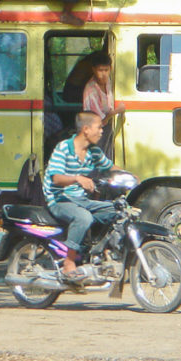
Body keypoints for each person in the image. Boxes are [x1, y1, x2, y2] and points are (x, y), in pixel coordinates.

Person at [42, 111, 117, 280]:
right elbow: (56, 178)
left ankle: (100, 252)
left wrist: (130, 176)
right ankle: (69, 263)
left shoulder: (94, 151)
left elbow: (110, 167)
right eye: (98, 127)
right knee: (83, 218)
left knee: (117, 210)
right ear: (86, 129)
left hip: (81, 200)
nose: (102, 131)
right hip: (59, 199)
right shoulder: (63, 148)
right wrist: (77, 178)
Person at [81, 52, 125, 157]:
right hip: (95, 131)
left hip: (107, 128)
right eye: (100, 70)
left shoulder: (109, 81)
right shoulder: (90, 91)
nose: (104, 74)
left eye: (106, 70)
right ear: (93, 70)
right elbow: (101, 120)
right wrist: (117, 111)